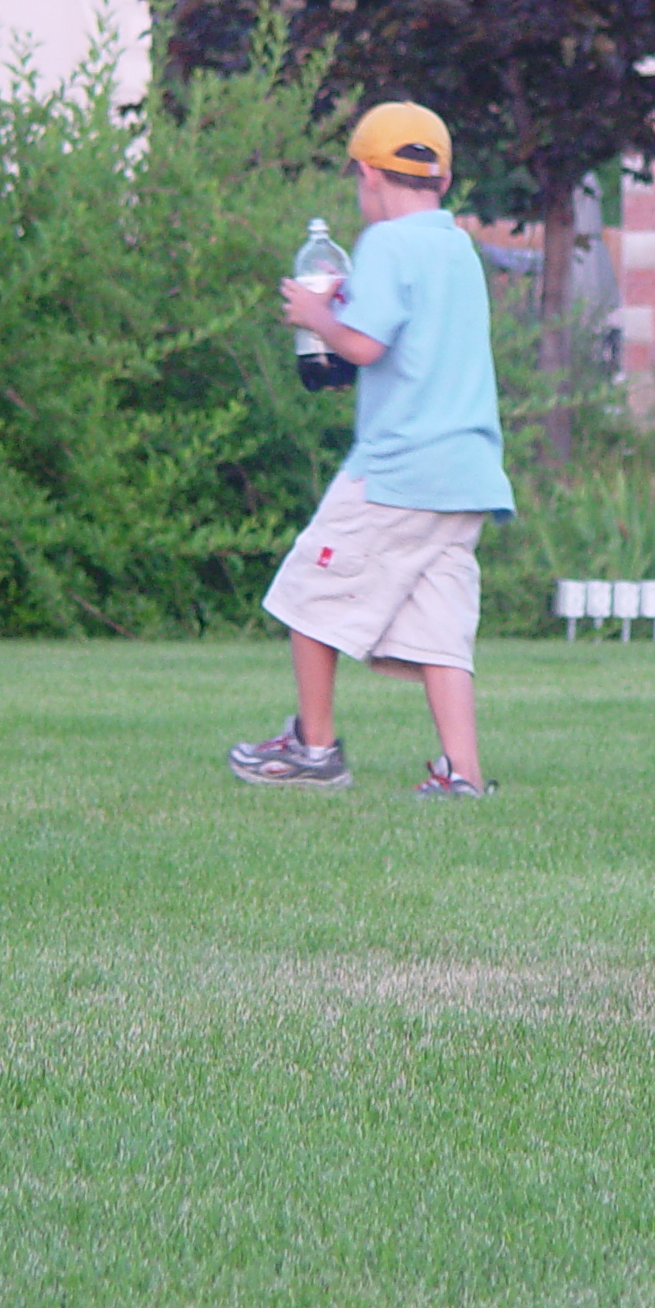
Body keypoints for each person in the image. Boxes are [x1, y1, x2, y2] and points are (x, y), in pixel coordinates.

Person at [230, 102, 516, 798]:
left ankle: (314, 749)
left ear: (367, 174)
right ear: (440, 179)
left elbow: (364, 345)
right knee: (439, 625)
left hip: (400, 469)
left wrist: (314, 314)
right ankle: (462, 774)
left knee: (305, 588)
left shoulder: (386, 243)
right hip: (468, 475)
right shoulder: (456, 247)